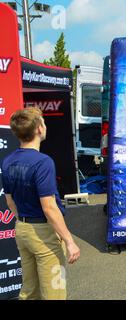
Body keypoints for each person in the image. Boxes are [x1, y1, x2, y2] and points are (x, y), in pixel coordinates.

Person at [2, 108, 80, 300]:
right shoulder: (43, 162)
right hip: (43, 232)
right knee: (54, 292)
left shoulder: (8, 161)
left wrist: (23, 220)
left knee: (29, 291)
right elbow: (49, 207)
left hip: (22, 228)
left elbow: (10, 201)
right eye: (43, 122)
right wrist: (70, 241)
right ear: (38, 128)